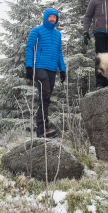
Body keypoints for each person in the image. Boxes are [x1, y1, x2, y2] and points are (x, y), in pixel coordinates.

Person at [25, 8, 66, 137]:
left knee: (46, 99)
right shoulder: (36, 31)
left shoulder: (57, 34)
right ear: (46, 17)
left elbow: (59, 52)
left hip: (52, 69)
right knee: (44, 95)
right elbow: (29, 48)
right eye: (50, 17)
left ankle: (42, 130)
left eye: (55, 17)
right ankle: (42, 130)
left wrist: (62, 69)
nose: (53, 19)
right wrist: (29, 66)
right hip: (40, 67)